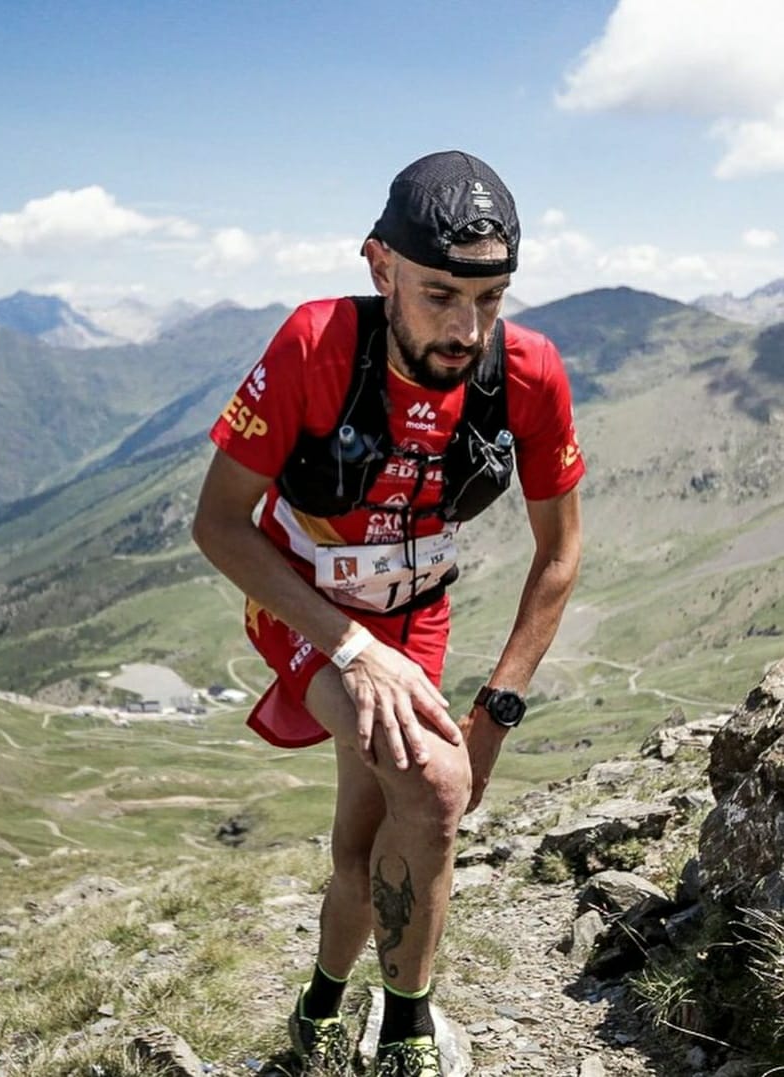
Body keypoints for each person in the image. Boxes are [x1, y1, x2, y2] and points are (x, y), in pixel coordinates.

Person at [193, 150, 584, 1077]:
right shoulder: (314, 344)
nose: (467, 326)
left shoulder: (528, 372)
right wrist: (352, 645)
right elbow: (215, 523)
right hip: (302, 606)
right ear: (379, 266)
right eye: (439, 293)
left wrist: (496, 713)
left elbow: (559, 554)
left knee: (368, 833)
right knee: (435, 790)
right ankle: (409, 1032)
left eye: (490, 299)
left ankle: (319, 1007)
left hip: (417, 618)